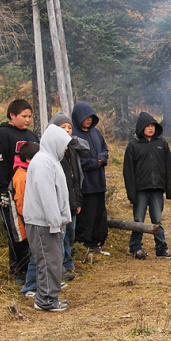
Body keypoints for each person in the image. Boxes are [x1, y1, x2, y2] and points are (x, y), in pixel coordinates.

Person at [0, 99, 39, 285]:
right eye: (24, 116)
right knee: (16, 231)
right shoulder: (1, 136)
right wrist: (0, 191)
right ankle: (19, 269)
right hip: (10, 191)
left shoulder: (32, 135)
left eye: (30, 117)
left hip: (31, 190)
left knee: (30, 230)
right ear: (12, 115)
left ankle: (32, 268)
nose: (27, 120)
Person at [23, 125, 72, 312]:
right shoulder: (43, 162)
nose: (66, 148)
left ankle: (49, 297)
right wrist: (54, 222)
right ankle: (45, 300)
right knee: (47, 261)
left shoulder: (50, 161)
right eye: (64, 144)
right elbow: (47, 195)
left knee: (53, 260)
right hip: (43, 223)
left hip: (48, 222)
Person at [123, 112, 171, 259]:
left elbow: (169, 166)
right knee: (138, 220)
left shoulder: (161, 143)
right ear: (141, 128)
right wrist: (131, 193)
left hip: (157, 188)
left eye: (153, 126)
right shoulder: (133, 145)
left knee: (157, 220)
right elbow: (128, 171)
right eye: (148, 126)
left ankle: (161, 248)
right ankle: (135, 248)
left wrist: (169, 189)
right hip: (140, 189)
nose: (151, 128)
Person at [50, 112, 87, 281]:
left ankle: (68, 263)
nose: (66, 130)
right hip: (59, 202)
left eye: (69, 127)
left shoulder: (72, 149)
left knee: (70, 234)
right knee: (61, 234)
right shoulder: (52, 153)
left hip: (72, 200)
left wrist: (78, 200)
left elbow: (76, 178)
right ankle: (59, 268)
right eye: (62, 127)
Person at [72, 101, 109, 254]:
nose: (88, 120)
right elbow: (75, 161)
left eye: (91, 117)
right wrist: (95, 163)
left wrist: (101, 159)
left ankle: (96, 242)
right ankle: (83, 244)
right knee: (86, 215)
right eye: (86, 117)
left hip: (99, 182)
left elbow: (105, 150)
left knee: (99, 214)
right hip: (85, 184)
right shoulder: (73, 134)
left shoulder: (96, 132)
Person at [11, 142, 42, 298]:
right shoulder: (21, 176)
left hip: (33, 219)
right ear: (30, 159)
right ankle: (29, 287)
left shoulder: (29, 172)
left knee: (37, 254)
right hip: (28, 221)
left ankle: (39, 284)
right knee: (34, 255)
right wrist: (31, 219)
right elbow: (21, 203)